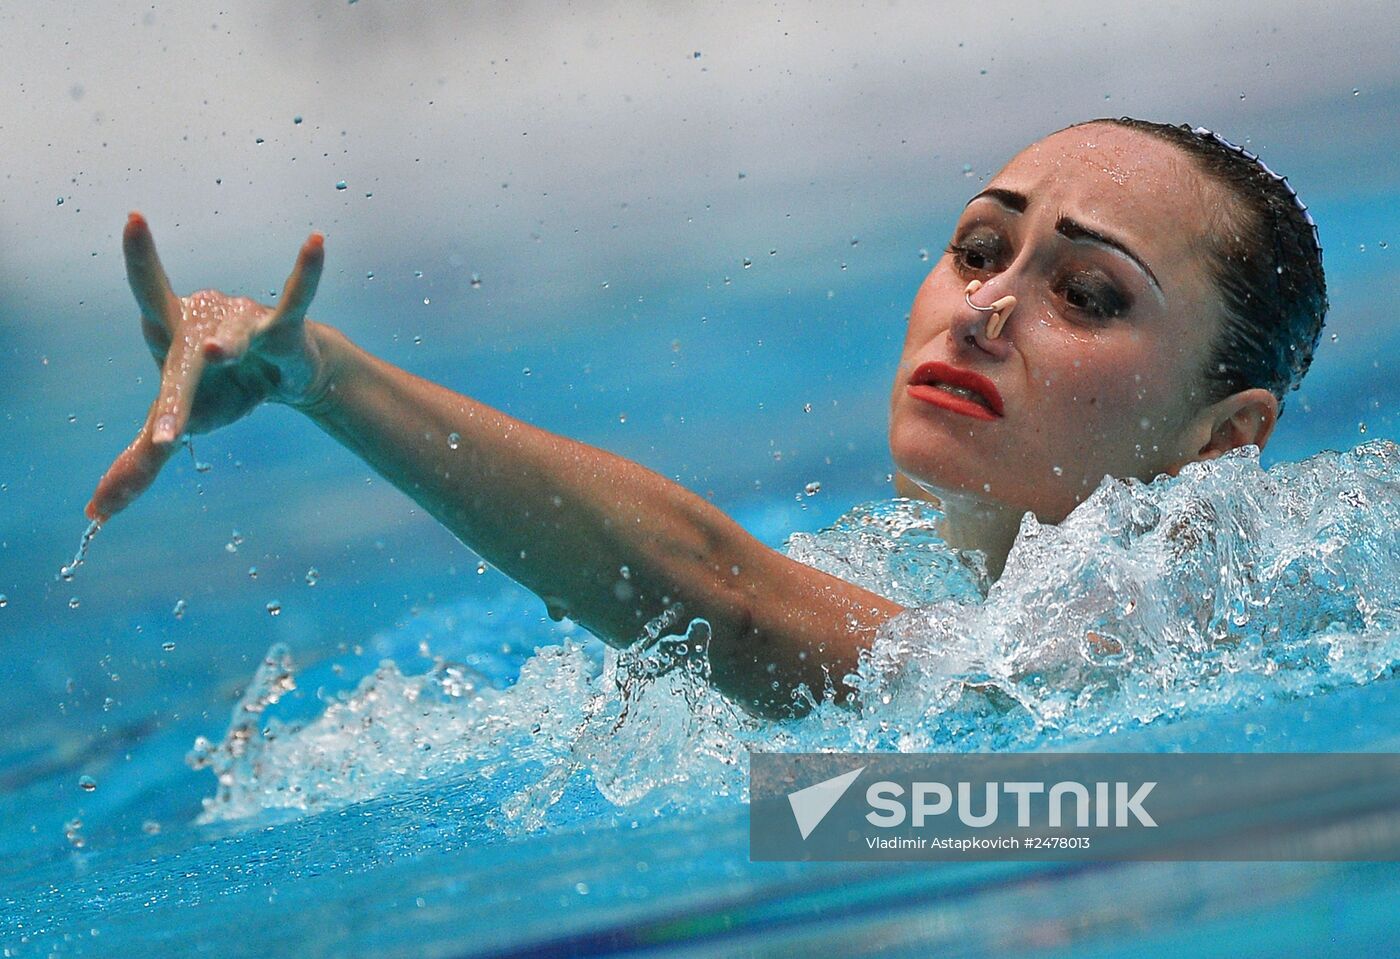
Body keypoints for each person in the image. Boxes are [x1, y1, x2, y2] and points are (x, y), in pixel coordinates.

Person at [86, 117, 1327, 717]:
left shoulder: (1174, 640)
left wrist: (330, 379)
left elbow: (725, 603)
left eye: (1087, 294)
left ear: (1225, 438)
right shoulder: (908, 579)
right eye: (976, 247)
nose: (983, 311)